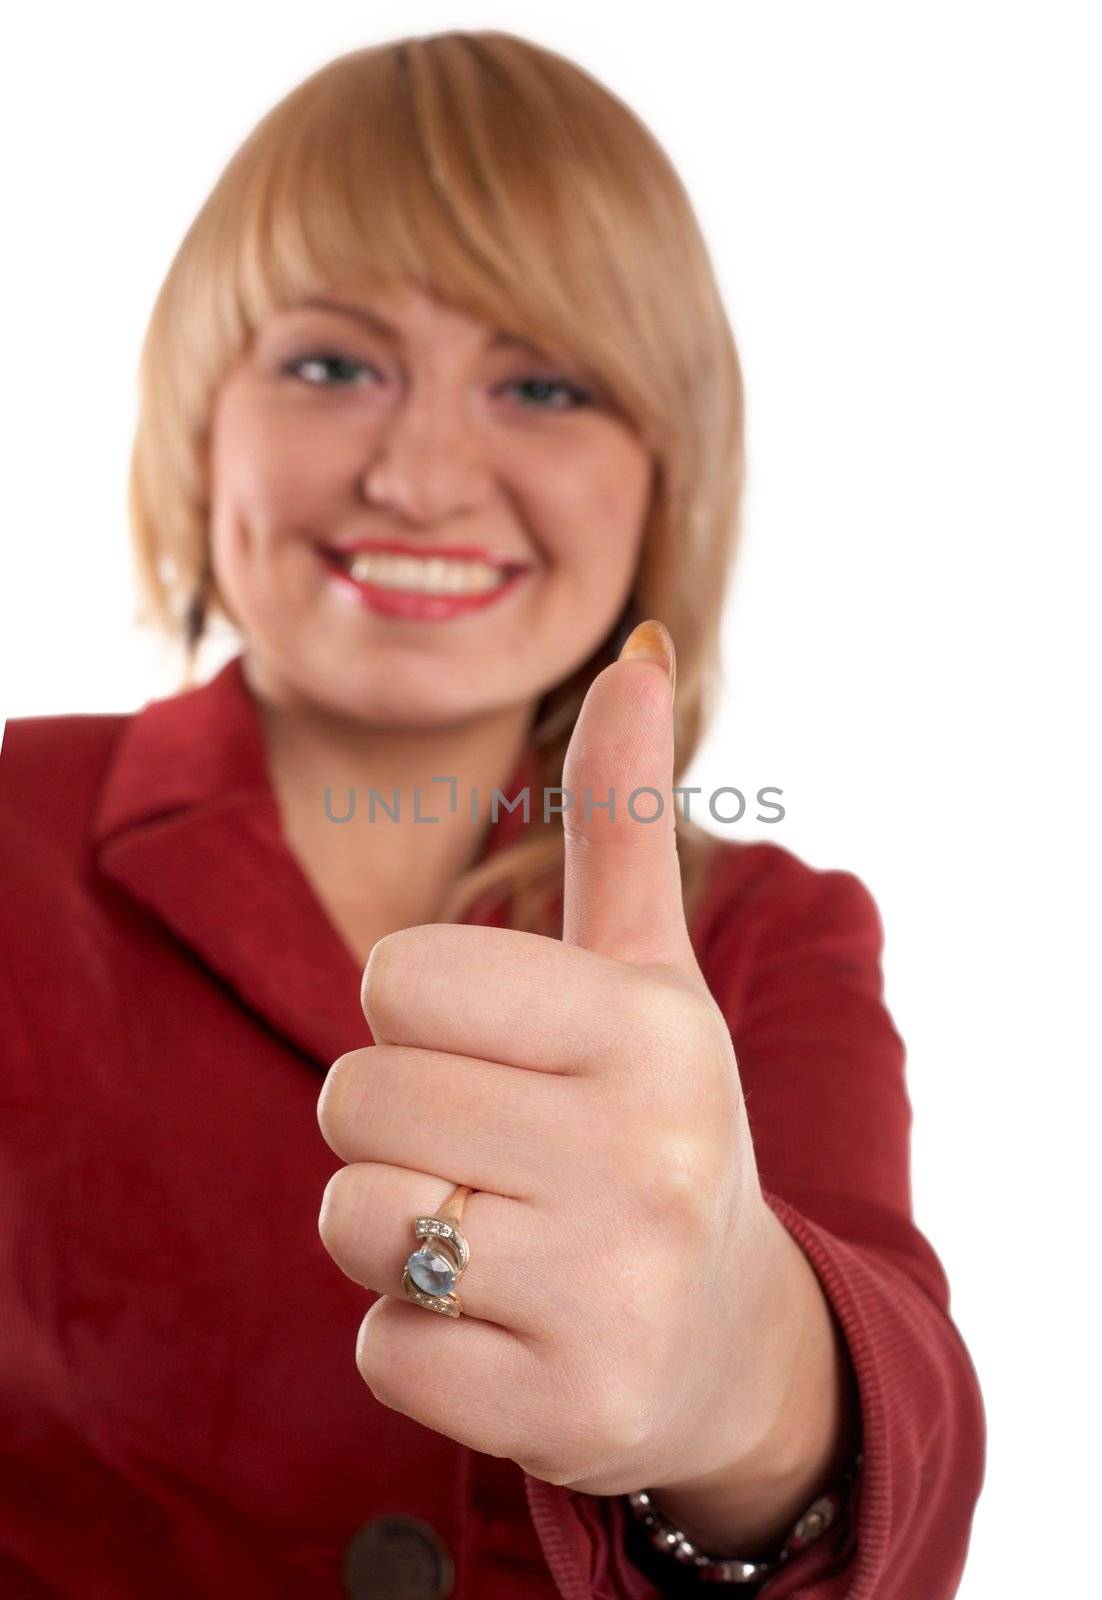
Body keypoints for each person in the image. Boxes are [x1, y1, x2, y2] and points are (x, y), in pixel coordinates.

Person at [0, 28, 985, 1600]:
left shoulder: (773, 929)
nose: (422, 474)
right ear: (201, 423)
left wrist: (745, 1383)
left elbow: (913, 1486)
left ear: (667, 477)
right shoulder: (12, 826)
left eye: (541, 384)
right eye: (332, 365)